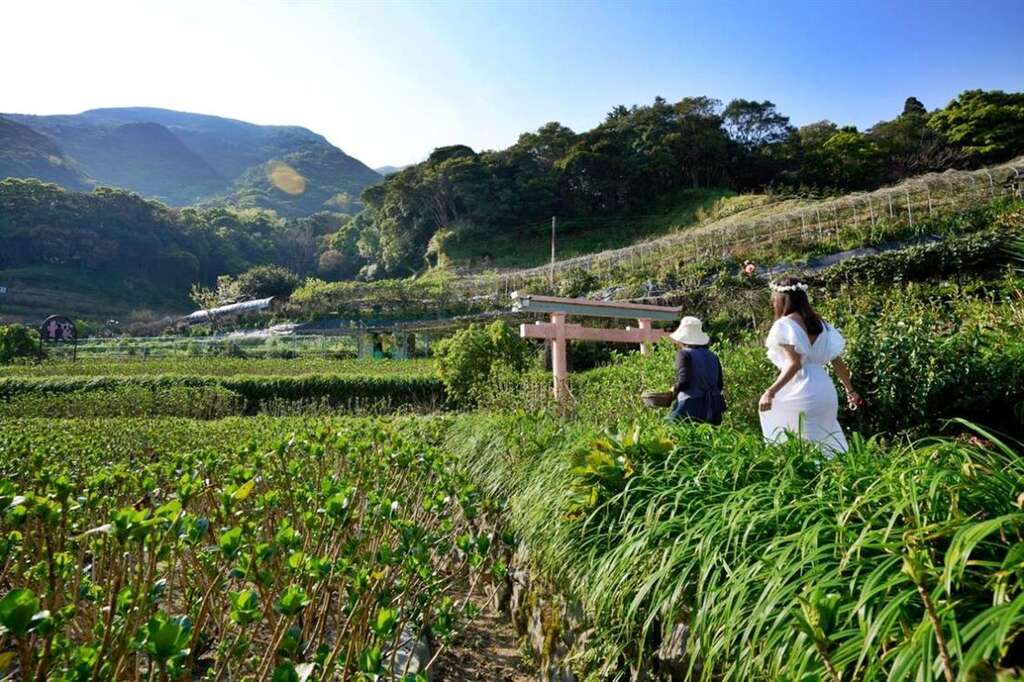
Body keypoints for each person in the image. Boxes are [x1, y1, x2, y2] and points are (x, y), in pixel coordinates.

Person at [758, 277, 862, 454]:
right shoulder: (823, 325)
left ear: (781, 300)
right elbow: (837, 362)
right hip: (824, 388)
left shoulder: (784, 325)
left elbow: (794, 363)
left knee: (793, 435)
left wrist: (770, 392)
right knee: (825, 438)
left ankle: (805, 478)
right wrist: (850, 390)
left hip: (800, 388)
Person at [666, 316, 726, 425]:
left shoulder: (684, 354)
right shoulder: (713, 356)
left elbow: (684, 381)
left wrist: (674, 388)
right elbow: (720, 385)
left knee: (669, 430)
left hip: (691, 406)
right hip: (714, 407)